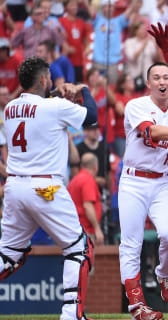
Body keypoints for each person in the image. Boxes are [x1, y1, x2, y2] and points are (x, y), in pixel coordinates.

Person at [0, 56, 97, 320]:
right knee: (80, 247)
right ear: (43, 80)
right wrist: (81, 90)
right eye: (50, 78)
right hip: (45, 188)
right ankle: (70, 314)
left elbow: (38, 104)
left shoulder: (9, 108)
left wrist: (57, 93)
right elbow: (92, 117)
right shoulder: (53, 107)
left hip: (15, 186)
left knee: (8, 256)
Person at [119, 62, 168, 320]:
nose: (162, 82)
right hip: (133, 180)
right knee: (131, 243)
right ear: (149, 83)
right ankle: (136, 306)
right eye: (156, 77)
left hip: (162, 181)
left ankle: (164, 274)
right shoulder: (136, 105)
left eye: (166, 77)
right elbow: (151, 133)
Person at [68, 152, 104, 245]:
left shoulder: (75, 179)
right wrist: (97, 228)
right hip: (85, 231)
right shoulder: (88, 180)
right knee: (86, 259)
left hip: (73, 230)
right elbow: (88, 205)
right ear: (95, 166)